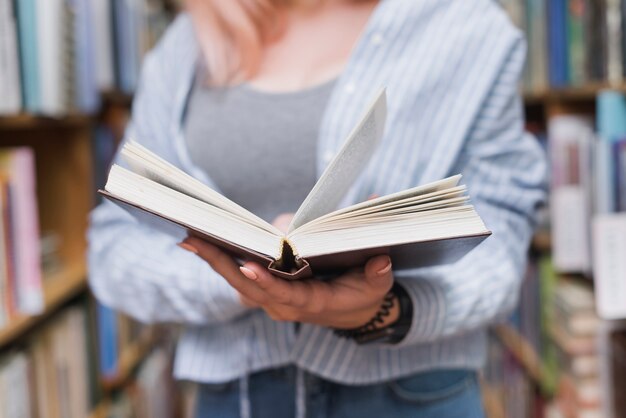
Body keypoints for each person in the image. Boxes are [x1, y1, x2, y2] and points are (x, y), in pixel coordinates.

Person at [88, 0, 547, 417]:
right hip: (235, 399)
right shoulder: (184, 46)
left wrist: (388, 309)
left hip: (411, 397)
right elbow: (115, 245)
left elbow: (500, 239)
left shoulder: (471, 30)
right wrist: (239, 283)